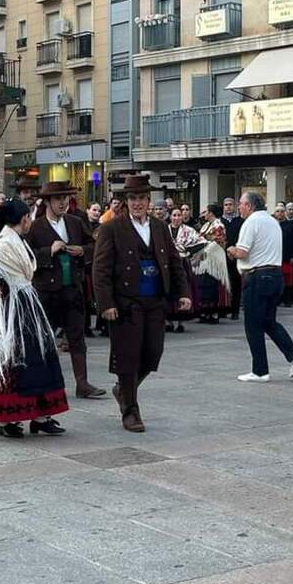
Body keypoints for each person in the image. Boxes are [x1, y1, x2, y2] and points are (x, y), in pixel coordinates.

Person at [93, 174, 191, 433]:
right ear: (126, 201)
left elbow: (174, 262)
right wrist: (106, 304)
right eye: (133, 198)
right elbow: (100, 270)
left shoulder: (159, 227)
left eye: (142, 198)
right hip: (126, 304)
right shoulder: (112, 228)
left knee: (152, 354)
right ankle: (130, 411)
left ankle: (123, 389)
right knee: (127, 358)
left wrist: (183, 292)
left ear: (149, 200)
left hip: (155, 301)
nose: (137, 203)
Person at [0, 200, 69, 438]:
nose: (30, 221)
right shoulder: (2, 246)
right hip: (10, 312)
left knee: (41, 358)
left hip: (27, 306)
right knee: (15, 362)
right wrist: (4, 299)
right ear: (23, 219)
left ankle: (42, 416)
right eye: (29, 217)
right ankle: (6, 419)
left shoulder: (16, 240)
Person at [26, 180, 105, 398]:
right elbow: (26, 255)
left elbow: (94, 246)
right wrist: (47, 251)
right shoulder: (36, 226)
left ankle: (82, 383)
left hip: (73, 288)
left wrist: (83, 251)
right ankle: (43, 383)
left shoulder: (75, 222)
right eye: (58, 199)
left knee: (77, 336)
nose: (63, 203)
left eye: (65, 199)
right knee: (44, 337)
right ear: (48, 202)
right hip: (46, 291)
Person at [226, 192, 293, 383]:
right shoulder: (273, 222)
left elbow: (242, 252)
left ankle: (260, 370)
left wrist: (230, 249)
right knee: (268, 321)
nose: (239, 207)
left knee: (253, 324)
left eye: (241, 204)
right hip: (274, 275)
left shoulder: (251, 222)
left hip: (257, 276)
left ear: (251, 206)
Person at [166, 207, 204, 333]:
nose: (176, 218)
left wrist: (189, 253)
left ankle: (180, 322)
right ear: (170, 217)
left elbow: (201, 242)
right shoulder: (164, 230)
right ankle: (169, 321)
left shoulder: (189, 230)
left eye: (179, 215)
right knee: (169, 290)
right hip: (168, 264)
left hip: (183, 262)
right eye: (174, 215)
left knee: (183, 289)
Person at [194, 204, 231, 323]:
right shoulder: (206, 225)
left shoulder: (218, 225)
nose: (204, 214)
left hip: (214, 258)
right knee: (203, 285)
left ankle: (214, 313)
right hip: (204, 259)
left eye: (206, 212)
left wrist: (203, 250)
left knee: (213, 284)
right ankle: (205, 311)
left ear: (211, 213)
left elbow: (219, 241)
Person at [84, 201, 104, 337]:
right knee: (85, 297)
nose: (96, 213)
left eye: (98, 211)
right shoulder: (82, 226)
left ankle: (102, 324)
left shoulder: (103, 227)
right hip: (85, 265)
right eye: (94, 210)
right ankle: (85, 326)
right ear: (87, 210)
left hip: (98, 264)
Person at [222, 196, 244, 320]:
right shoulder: (220, 221)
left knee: (235, 283)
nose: (228, 207)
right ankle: (224, 308)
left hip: (236, 255)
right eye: (226, 205)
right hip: (222, 256)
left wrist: (234, 250)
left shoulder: (240, 221)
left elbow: (243, 237)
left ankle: (235, 310)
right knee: (224, 283)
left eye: (230, 204)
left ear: (234, 206)